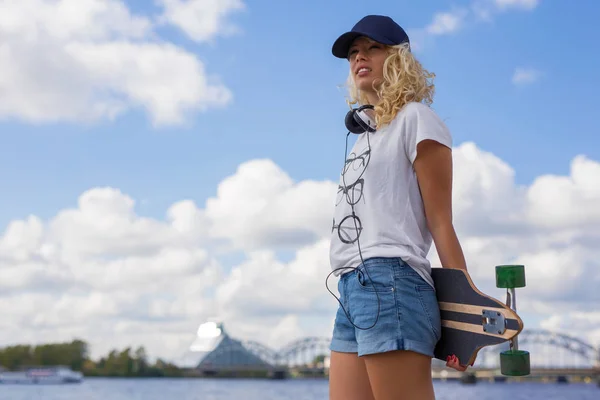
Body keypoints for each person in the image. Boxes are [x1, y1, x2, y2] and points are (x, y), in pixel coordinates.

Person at [327, 15, 471, 400]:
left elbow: (441, 222)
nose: (360, 57)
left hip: (393, 281)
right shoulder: (362, 140)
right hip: (350, 286)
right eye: (354, 52)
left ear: (399, 58)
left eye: (373, 47)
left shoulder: (418, 121)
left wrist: (463, 317)